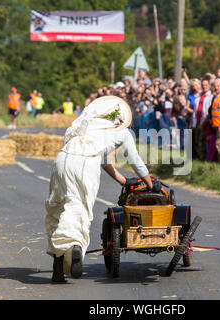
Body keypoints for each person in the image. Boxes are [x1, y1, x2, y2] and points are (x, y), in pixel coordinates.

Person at [44, 96, 155, 283]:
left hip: (61, 161)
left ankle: (58, 269)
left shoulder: (82, 125)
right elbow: (134, 160)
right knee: (79, 208)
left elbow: (100, 157)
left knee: (59, 207)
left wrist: (122, 180)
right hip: (84, 165)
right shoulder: (121, 132)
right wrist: (150, 183)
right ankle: (75, 246)